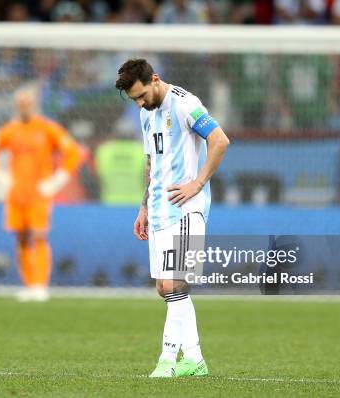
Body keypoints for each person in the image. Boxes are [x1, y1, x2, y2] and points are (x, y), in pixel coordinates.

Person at [114, 59, 230, 377]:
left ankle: (167, 360)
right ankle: (194, 359)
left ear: (155, 79)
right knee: (165, 289)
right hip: (161, 209)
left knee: (174, 282)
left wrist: (198, 183)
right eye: (134, 99)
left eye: (141, 95)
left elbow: (219, 141)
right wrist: (144, 207)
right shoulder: (145, 114)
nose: (139, 103)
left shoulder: (185, 105)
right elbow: (152, 163)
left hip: (187, 208)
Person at [0, 87, 81, 302]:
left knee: (38, 235)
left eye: (27, 102)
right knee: (21, 238)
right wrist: (1, 178)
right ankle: (29, 284)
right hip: (16, 193)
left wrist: (56, 181)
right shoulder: (10, 130)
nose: (23, 106)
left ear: (34, 104)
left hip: (39, 193)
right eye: (20, 103)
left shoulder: (47, 129)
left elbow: (73, 152)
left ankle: (40, 285)